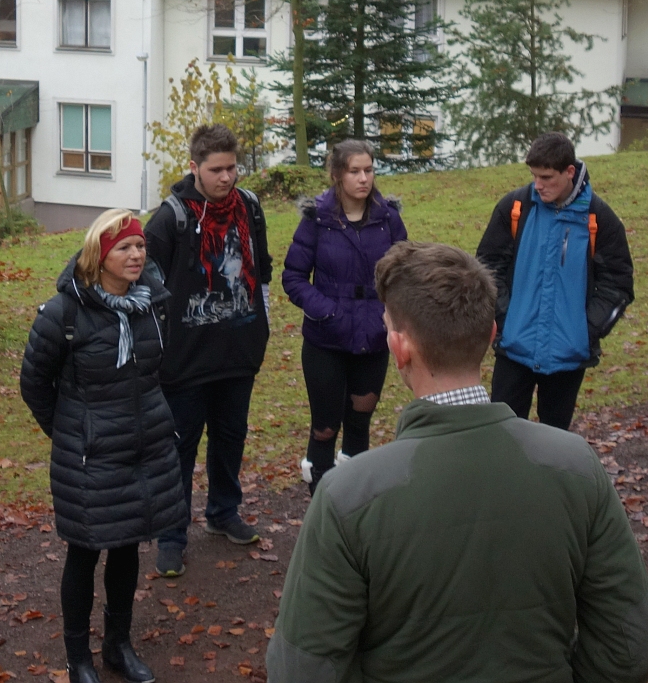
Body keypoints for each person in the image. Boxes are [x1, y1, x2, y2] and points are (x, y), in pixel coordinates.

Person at [268, 241, 648, 683]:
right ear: (491, 335)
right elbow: (631, 648)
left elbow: (300, 671)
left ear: (399, 348)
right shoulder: (576, 468)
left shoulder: (349, 496)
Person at [21, 209, 179, 683]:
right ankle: (78, 658)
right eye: (124, 247)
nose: (136, 255)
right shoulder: (63, 313)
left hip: (143, 450)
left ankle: (118, 645)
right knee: (84, 553)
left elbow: (155, 371)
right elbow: (34, 383)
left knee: (127, 548)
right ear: (99, 254)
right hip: (90, 456)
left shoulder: (152, 304)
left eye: (140, 246)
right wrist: (72, 433)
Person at [145, 122, 271, 578]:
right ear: (194, 167)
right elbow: (147, 287)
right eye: (216, 169)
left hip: (238, 354)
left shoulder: (250, 208)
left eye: (232, 168)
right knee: (178, 450)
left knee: (230, 438)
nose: (226, 177)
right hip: (184, 361)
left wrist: (260, 334)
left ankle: (223, 511)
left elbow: (262, 272)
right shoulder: (170, 219)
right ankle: (171, 536)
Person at [475, 131, 634, 430]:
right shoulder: (514, 208)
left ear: (569, 171)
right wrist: (505, 318)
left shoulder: (599, 219)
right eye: (534, 176)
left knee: (555, 440)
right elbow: (486, 267)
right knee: (502, 434)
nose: (538, 185)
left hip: (567, 356)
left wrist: (585, 330)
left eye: (546, 177)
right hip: (513, 348)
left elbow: (618, 284)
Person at [281, 138, 407, 491]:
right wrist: (326, 311)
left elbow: (404, 271)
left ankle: (354, 498)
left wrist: (387, 312)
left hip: (373, 337)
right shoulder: (317, 219)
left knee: (359, 422)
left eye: (369, 170)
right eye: (355, 171)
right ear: (337, 174)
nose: (363, 179)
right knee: (325, 426)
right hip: (326, 339)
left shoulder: (388, 218)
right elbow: (293, 277)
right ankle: (320, 496)